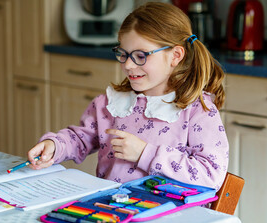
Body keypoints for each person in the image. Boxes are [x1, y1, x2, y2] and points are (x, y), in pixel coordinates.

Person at [27, 2, 228, 190]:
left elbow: (211, 174)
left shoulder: (197, 110)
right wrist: (55, 146)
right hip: (111, 210)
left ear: (175, 56)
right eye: (123, 54)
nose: (128, 65)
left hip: (171, 217)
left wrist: (144, 153)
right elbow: (80, 138)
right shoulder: (111, 103)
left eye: (141, 56)